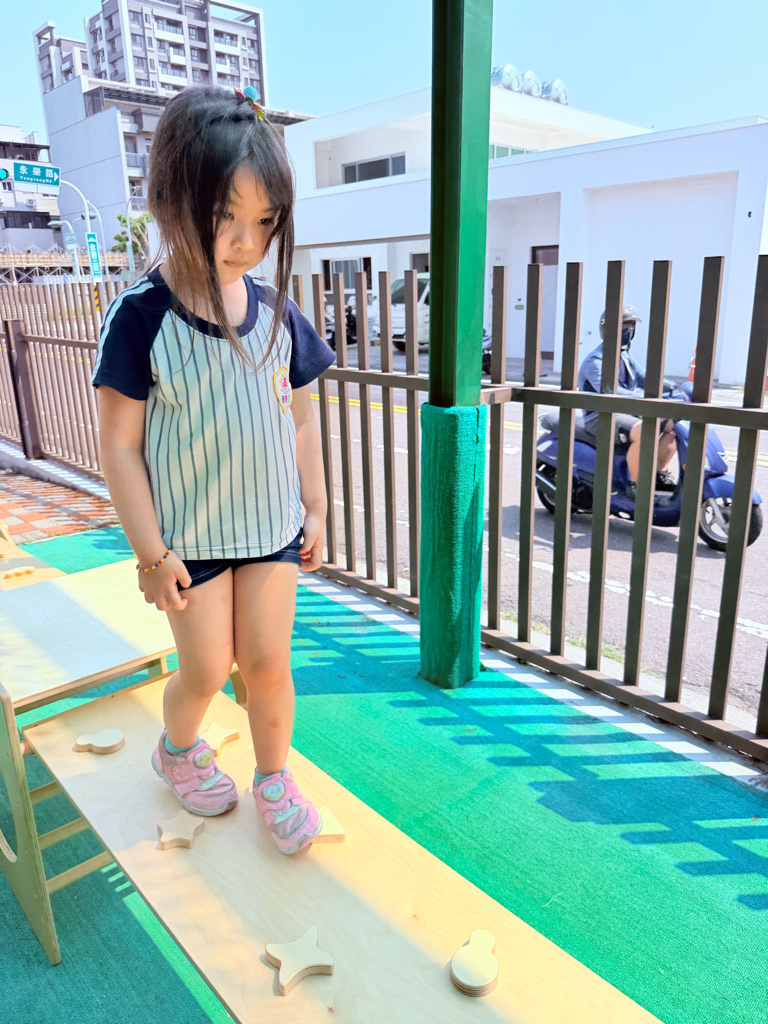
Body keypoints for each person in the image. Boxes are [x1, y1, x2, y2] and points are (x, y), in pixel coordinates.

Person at [91, 86, 336, 855]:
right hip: (189, 543)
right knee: (204, 671)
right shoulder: (142, 317)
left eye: (265, 222)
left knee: (266, 665)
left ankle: (273, 778)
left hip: (271, 531)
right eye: (227, 216)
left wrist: (316, 508)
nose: (247, 242)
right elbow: (119, 447)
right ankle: (177, 750)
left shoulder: (278, 313)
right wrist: (150, 554)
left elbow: (301, 417)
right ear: (172, 199)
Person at [577, 306, 677, 490]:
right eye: (624, 326)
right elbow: (611, 391)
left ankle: (658, 473)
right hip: (601, 416)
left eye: (631, 326)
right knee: (645, 430)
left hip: (627, 411)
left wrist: (672, 387)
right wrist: (642, 397)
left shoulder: (624, 356)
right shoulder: (595, 361)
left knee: (672, 425)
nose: (629, 330)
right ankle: (636, 486)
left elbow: (645, 378)